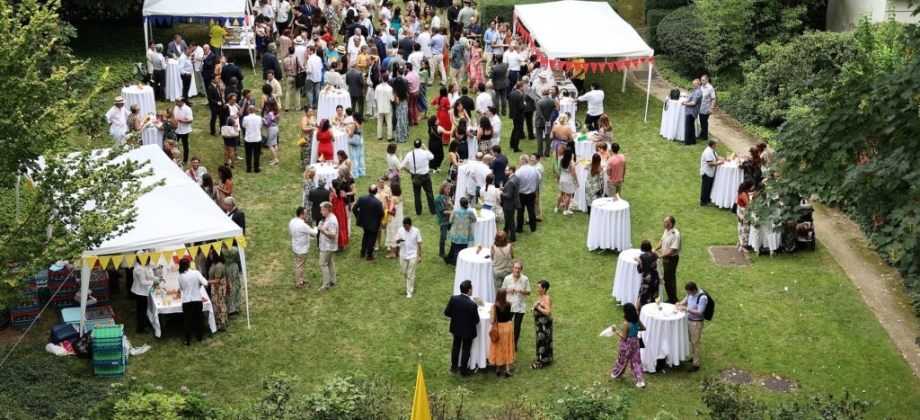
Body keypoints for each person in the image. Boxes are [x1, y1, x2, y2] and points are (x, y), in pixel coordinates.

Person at [444, 279, 480, 376]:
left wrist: (456, 317)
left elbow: (447, 312)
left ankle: (454, 367)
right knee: (466, 349)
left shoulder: (453, 299)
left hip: (456, 328)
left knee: (455, 347)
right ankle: (463, 371)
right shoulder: (472, 305)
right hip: (467, 331)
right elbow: (476, 320)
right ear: (469, 290)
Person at [610, 303, 646, 388]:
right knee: (636, 361)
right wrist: (636, 329)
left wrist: (616, 331)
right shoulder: (637, 319)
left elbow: (624, 337)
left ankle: (617, 375)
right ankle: (640, 381)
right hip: (635, 342)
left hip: (627, 344)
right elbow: (644, 328)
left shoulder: (626, 323)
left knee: (622, 360)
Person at [677, 282, 708, 372]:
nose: (688, 294)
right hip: (688, 319)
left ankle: (696, 363)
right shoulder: (689, 294)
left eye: (689, 292)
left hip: (696, 323)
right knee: (690, 340)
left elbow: (699, 312)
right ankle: (693, 357)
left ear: (694, 290)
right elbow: (685, 301)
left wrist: (686, 309)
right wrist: (679, 304)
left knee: (695, 343)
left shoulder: (702, 298)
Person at [176, 258, 208, 346]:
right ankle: (199, 337)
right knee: (198, 318)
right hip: (197, 299)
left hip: (186, 300)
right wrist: (199, 284)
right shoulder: (196, 272)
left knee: (187, 320)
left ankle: (187, 340)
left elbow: (182, 288)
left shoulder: (180, 275)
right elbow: (205, 282)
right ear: (189, 264)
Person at [402, 139, 437, 215]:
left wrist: (410, 171)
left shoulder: (409, 154)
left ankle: (418, 211)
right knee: (429, 193)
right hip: (425, 176)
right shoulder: (425, 153)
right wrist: (425, 147)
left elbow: (402, 165)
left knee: (417, 194)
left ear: (414, 145)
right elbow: (432, 156)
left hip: (415, 176)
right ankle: (433, 210)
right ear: (421, 145)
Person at [501, 260, 530, 350]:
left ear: (521, 269)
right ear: (512, 268)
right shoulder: (507, 278)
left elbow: (529, 292)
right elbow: (502, 290)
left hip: (520, 306)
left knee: (517, 326)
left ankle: (514, 344)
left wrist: (522, 291)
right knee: (506, 324)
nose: (517, 270)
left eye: (519, 268)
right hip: (509, 305)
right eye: (515, 268)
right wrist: (508, 290)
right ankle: (505, 342)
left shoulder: (525, 279)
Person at [289, 205, 319, 291]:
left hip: (295, 246)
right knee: (300, 266)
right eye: (306, 214)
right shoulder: (302, 225)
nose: (307, 215)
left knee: (299, 265)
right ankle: (299, 283)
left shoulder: (292, 221)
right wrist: (317, 226)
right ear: (301, 215)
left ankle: (300, 280)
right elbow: (314, 233)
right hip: (302, 249)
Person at [654, 216, 681, 304]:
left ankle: (673, 299)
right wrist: (654, 250)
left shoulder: (675, 235)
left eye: (665, 222)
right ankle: (671, 297)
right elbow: (662, 241)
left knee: (669, 279)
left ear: (670, 224)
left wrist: (661, 256)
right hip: (666, 258)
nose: (663, 223)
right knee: (668, 278)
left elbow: (673, 250)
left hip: (671, 259)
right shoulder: (666, 230)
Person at [353, 184, 385, 260]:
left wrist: (358, 217)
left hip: (364, 222)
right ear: (376, 191)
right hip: (374, 224)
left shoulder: (362, 198)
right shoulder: (378, 203)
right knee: (372, 239)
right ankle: (369, 255)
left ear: (368, 190)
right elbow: (381, 214)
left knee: (365, 236)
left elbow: (354, 209)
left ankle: (362, 252)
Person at [490, 287, 516, 377]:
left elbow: (492, 321)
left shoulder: (494, 306)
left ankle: (498, 367)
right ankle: (508, 369)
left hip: (499, 328)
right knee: (508, 346)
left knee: (498, 346)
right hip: (508, 327)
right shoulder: (509, 304)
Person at [396, 217, 423, 298]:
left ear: (410, 225)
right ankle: (409, 279)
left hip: (412, 255)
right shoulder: (400, 230)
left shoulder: (416, 231)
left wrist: (420, 256)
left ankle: (409, 291)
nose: (405, 228)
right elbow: (396, 240)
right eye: (404, 226)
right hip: (403, 254)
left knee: (410, 274)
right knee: (404, 272)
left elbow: (419, 243)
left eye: (407, 227)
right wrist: (399, 240)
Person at [444, 197, 476, 265]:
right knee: (464, 250)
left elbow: (450, 220)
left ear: (460, 204)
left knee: (456, 250)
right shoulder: (470, 212)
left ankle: (457, 264)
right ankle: (463, 264)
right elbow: (474, 219)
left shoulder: (455, 211)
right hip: (465, 234)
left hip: (455, 233)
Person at [530, 279, 553, 369]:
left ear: (544, 289)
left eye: (539, 288)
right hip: (539, 324)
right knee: (541, 341)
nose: (537, 289)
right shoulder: (540, 297)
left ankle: (539, 363)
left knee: (542, 342)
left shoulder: (546, 298)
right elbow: (536, 306)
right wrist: (533, 308)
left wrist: (538, 307)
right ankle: (546, 358)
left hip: (544, 325)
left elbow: (548, 312)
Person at [317, 201, 339, 291]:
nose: (320, 212)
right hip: (327, 245)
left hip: (327, 246)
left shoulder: (332, 220)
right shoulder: (328, 217)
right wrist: (322, 225)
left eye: (322, 210)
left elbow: (332, 234)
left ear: (327, 210)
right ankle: (332, 280)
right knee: (329, 262)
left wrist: (322, 229)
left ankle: (326, 285)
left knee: (322, 263)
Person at [514, 156, 538, 234]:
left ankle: (519, 228)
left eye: (519, 160)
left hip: (521, 194)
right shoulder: (534, 169)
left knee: (520, 211)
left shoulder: (519, 171)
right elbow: (539, 178)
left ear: (522, 161)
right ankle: (533, 227)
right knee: (531, 210)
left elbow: (515, 182)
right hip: (531, 193)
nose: (519, 162)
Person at [207, 251, 230, 332]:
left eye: (211, 254)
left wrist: (206, 281)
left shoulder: (218, 267)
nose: (210, 256)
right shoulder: (219, 264)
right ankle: (224, 321)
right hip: (219, 288)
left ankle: (221, 323)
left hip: (218, 289)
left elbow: (217, 280)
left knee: (219, 306)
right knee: (221, 304)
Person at [130, 261, 156, 334]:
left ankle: (143, 323)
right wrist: (153, 283)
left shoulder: (142, 266)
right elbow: (143, 282)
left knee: (143, 308)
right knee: (141, 310)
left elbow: (148, 275)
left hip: (142, 291)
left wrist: (157, 278)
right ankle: (140, 328)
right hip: (139, 292)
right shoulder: (139, 269)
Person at [636, 240, 661, 310]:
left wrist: (638, 261)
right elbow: (657, 258)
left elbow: (639, 270)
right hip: (655, 275)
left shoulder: (642, 257)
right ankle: (658, 307)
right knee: (655, 293)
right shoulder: (654, 254)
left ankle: (641, 310)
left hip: (647, 277)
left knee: (643, 294)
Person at [700, 139, 725, 206]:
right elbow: (710, 164)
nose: (717, 145)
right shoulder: (708, 152)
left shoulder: (712, 151)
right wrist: (719, 164)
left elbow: (716, 157)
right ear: (713, 145)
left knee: (709, 186)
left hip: (710, 172)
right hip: (706, 172)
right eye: (716, 144)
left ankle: (707, 199)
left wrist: (724, 159)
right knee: (705, 187)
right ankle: (703, 201)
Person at [384, 183, 406, 258]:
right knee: (398, 233)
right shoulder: (400, 197)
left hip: (393, 219)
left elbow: (390, 210)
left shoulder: (393, 199)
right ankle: (398, 251)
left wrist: (387, 203)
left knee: (393, 233)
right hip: (400, 218)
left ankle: (392, 253)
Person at [330, 178, 351, 250]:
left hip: (335, 212)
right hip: (342, 212)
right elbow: (345, 200)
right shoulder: (342, 192)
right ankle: (343, 244)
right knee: (342, 226)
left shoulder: (332, 194)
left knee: (336, 227)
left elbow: (330, 203)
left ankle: (337, 244)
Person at [555, 147, 577, 215]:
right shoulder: (571, 162)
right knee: (568, 195)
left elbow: (558, 168)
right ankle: (566, 210)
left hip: (562, 178)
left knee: (561, 193)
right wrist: (577, 181)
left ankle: (557, 207)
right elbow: (573, 173)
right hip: (569, 179)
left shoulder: (561, 160)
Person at [681, 78, 702, 146]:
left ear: (698, 84)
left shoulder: (697, 92)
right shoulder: (697, 91)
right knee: (691, 126)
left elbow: (693, 103)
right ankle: (693, 140)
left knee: (688, 126)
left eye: (694, 84)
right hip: (693, 111)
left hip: (691, 111)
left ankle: (687, 142)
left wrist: (685, 104)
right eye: (692, 84)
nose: (692, 85)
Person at [241, 105, 263, 172]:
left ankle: (248, 168)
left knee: (248, 154)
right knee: (257, 154)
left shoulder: (245, 118)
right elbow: (260, 126)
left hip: (248, 138)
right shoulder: (259, 117)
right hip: (257, 138)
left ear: (249, 110)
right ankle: (256, 168)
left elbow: (243, 126)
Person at [534, 88, 555, 157]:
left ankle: (540, 153)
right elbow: (553, 112)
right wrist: (549, 120)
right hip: (548, 122)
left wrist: (545, 121)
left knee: (539, 138)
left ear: (542, 93)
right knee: (547, 137)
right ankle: (547, 152)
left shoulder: (539, 101)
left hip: (540, 122)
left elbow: (539, 114)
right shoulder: (552, 101)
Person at [736, 180, 754, 253]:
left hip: (741, 212)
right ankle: (743, 245)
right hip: (744, 213)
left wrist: (752, 193)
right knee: (745, 228)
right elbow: (748, 205)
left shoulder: (743, 192)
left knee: (741, 227)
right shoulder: (743, 194)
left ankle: (740, 243)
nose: (754, 187)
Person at [374, 74, 394, 141]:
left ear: (382, 79)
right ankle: (389, 137)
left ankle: (379, 136)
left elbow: (375, 98)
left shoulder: (377, 87)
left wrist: (377, 106)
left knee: (379, 122)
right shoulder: (390, 88)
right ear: (388, 79)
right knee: (389, 122)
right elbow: (392, 99)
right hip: (387, 107)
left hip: (380, 107)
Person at [698, 75, 716, 141]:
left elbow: (713, 98)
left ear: (707, 80)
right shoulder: (701, 87)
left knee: (704, 122)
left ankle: (705, 136)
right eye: (701, 80)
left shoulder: (710, 88)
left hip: (706, 108)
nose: (702, 81)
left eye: (703, 80)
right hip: (701, 107)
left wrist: (711, 108)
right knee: (701, 121)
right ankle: (702, 134)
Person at [263, 101, 281, 165]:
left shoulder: (270, 113)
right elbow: (277, 120)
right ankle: (274, 158)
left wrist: (264, 119)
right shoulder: (277, 112)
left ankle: (275, 158)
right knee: (275, 143)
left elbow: (267, 123)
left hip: (271, 129)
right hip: (276, 127)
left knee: (270, 144)